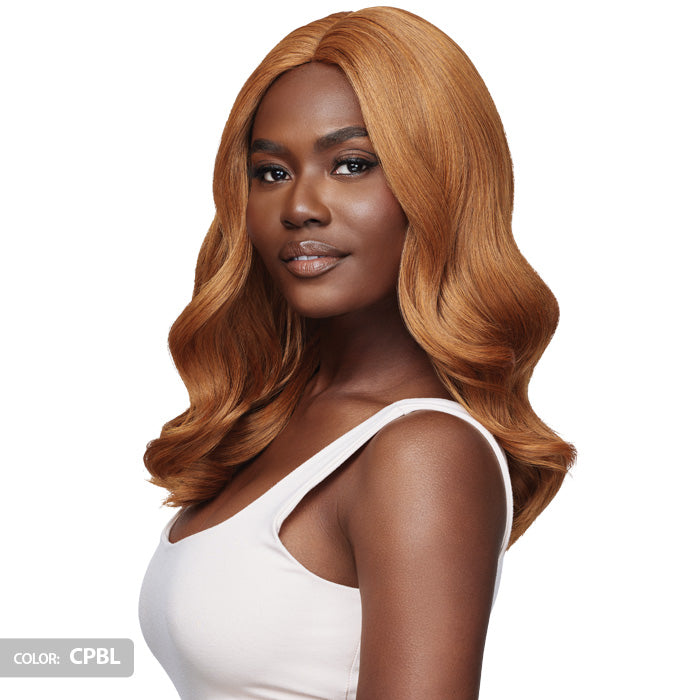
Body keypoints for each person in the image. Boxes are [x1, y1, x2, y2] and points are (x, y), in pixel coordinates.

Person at [139, 6, 575, 699]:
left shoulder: (422, 451)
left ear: (440, 184)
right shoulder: (279, 418)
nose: (300, 207)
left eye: (351, 165)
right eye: (270, 172)